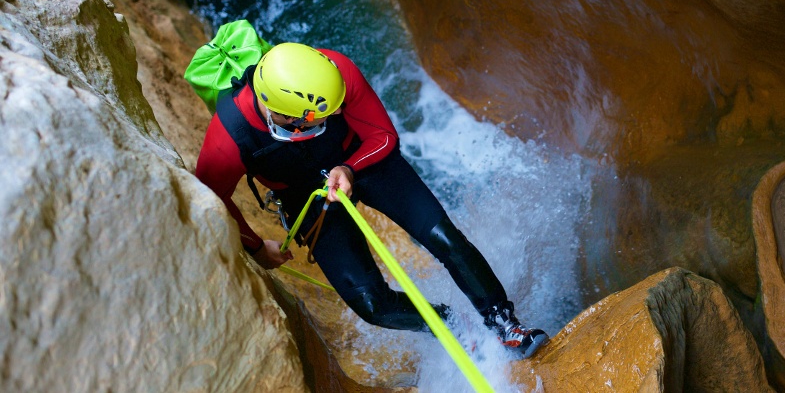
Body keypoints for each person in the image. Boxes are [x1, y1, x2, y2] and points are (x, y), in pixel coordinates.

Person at [195, 42, 548, 357]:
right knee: (371, 304)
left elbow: (382, 135)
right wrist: (256, 247)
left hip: (364, 160)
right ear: (281, 114)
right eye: (316, 120)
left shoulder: (336, 71)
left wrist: (348, 169)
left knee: (445, 238)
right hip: (306, 195)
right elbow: (211, 197)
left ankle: (505, 323)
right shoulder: (227, 139)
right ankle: (452, 325)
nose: (330, 118)